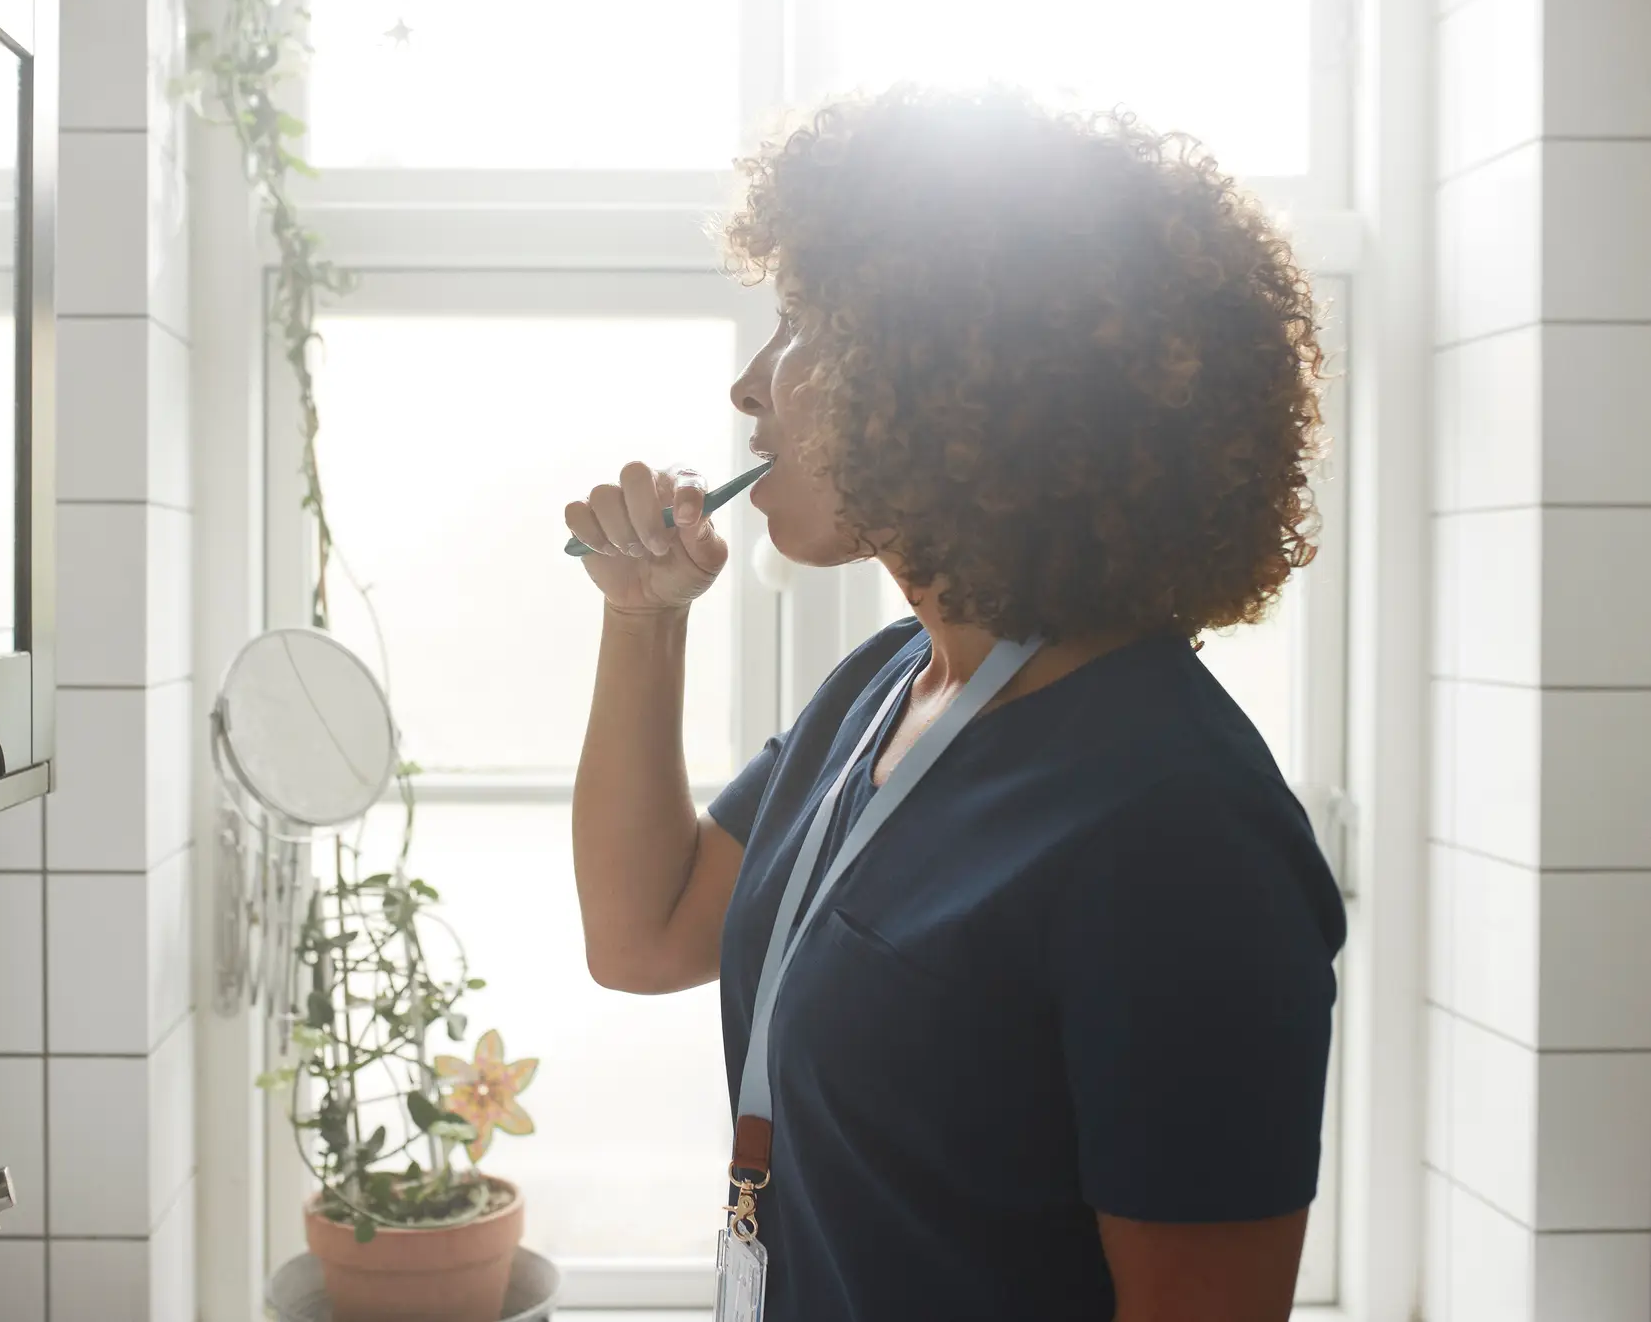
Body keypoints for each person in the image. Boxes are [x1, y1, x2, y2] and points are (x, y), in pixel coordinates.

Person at [566, 86, 1346, 1322]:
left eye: (803, 328)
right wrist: (641, 617)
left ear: (953, 375)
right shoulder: (889, 688)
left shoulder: (1179, 830)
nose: (751, 387)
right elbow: (644, 933)